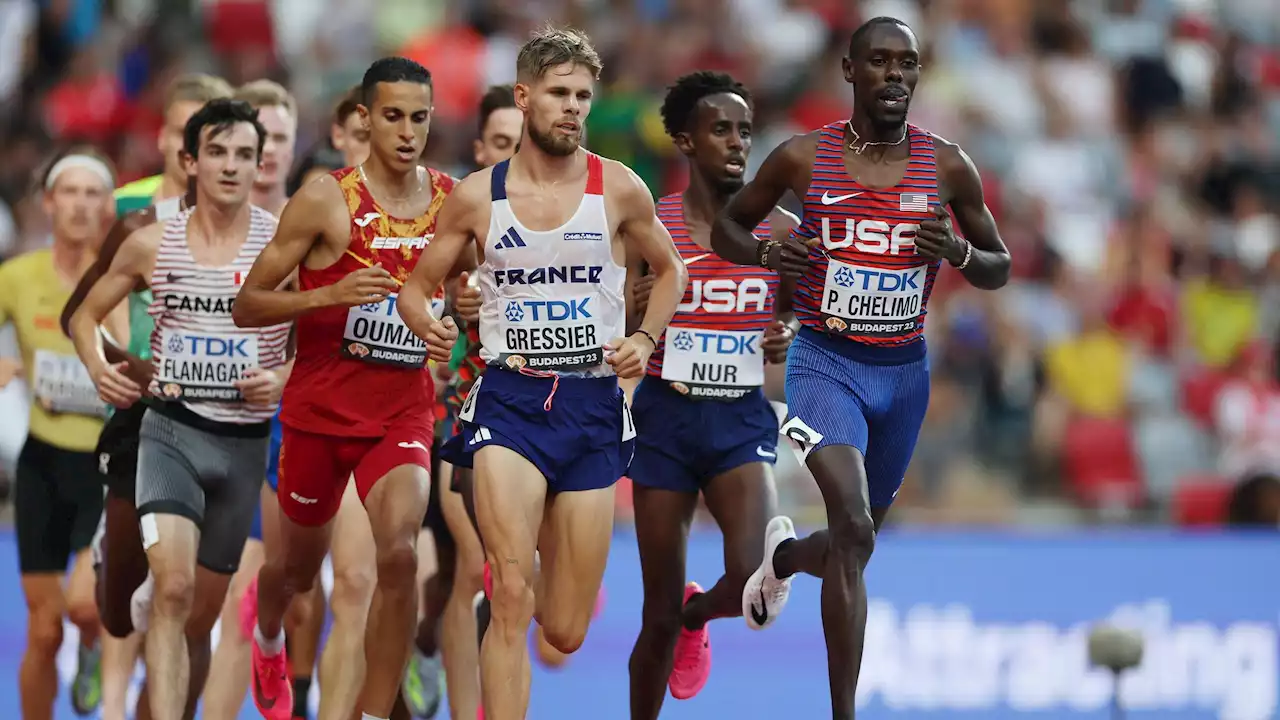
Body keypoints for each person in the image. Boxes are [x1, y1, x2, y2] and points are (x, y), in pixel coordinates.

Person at [709, 18, 1011, 719]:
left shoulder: (950, 166)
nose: (895, 76)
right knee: (854, 522)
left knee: (856, 538)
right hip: (825, 364)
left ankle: (782, 562)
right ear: (849, 71)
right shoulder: (802, 159)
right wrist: (764, 256)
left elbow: (999, 265)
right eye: (879, 61)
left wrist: (959, 254)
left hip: (902, 376)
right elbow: (732, 222)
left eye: (907, 63)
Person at [397, 26, 687, 720]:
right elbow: (417, 285)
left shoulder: (618, 188)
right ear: (524, 98)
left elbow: (671, 269)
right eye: (559, 94)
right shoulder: (476, 196)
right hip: (510, 399)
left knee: (563, 630)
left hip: (591, 406)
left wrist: (645, 338)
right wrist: (429, 324)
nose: (573, 108)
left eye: (583, 96)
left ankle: (564, 570)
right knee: (509, 592)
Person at [232, 56, 456, 720]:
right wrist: (329, 293)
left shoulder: (451, 199)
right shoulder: (326, 199)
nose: (407, 131)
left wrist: (462, 312)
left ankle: (370, 707)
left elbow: (479, 285)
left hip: (401, 415)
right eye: (392, 116)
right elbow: (248, 305)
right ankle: (270, 635)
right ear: (363, 117)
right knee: (296, 575)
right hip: (318, 416)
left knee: (396, 556)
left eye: (419, 117)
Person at [69, 98, 290, 719]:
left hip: (243, 445)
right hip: (169, 432)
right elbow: (83, 315)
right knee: (172, 589)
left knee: (198, 619)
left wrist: (281, 377)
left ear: (259, 163)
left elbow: (317, 341)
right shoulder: (150, 241)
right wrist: (99, 369)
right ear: (190, 161)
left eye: (244, 154)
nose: (231, 166)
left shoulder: (282, 243)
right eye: (217, 152)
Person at [59, 72, 233, 720]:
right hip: (138, 417)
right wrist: (110, 364)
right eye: (190, 135)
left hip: (219, 425)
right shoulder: (133, 213)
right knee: (112, 607)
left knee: (186, 602)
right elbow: (87, 304)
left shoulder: (257, 223)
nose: (204, 153)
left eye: (217, 139)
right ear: (168, 142)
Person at [627, 70, 798, 716]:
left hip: (739, 419)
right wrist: (633, 306)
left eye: (745, 131)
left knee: (755, 575)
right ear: (685, 141)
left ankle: (702, 615)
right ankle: (676, 628)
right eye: (720, 129)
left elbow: (797, 312)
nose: (736, 142)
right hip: (665, 417)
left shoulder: (781, 229)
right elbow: (616, 324)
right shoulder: (651, 224)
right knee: (656, 614)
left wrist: (787, 331)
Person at [402, 82, 519, 720]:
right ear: (480, 148)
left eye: (521, 143)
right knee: (473, 563)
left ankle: (431, 645)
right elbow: (408, 296)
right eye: (501, 143)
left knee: (467, 575)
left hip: (527, 418)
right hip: (440, 414)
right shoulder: (451, 211)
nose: (512, 155)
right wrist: (452, 305)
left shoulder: (562, 218)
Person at [200, 78, 305, 720]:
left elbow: (336, 333)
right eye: (253, 138)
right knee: (224, 596)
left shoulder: (316, 222)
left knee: (288, 592)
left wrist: (287, 373)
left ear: (292, 148)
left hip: (297, 429)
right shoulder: (197, 228)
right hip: (213, 427)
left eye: (278, 139)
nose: (264, 153)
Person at [1, 147, 116, 720]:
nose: (79, 205)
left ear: (108, 206)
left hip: (105, 468)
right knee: (44, 631)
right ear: (48, 203)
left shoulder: (125, 278)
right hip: (42, 465)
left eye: (92, 193)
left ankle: (93, 649)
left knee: (84, 610)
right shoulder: (18, 277)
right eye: (68, 192)